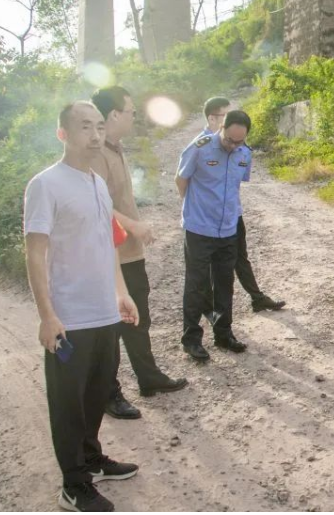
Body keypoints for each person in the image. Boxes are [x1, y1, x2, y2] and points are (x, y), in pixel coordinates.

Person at [24, 101, 140, 511]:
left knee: (95, 394)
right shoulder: (46, 185)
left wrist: (120, 292)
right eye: (84, 127)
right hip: (69, 316)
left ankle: (91, 459)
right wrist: (47, 315)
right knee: (68, 404)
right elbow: (35, 252)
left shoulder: (97, 184)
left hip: (104, 311)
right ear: (63, 134)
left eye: (99, 127)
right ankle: (73, 484)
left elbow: (107, 244)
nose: (95, 135)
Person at [90, 86, 187, 420]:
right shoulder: (97, 154)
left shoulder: (116, 148)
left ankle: (148, 377)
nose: (134, 116)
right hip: (109, 257)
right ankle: (109, 394)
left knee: (138, 317)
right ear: (114, 114)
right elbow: (96, 204)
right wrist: (133, 224)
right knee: (111, 326)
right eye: (130, 110)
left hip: (129, 253)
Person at [175, 110, 253, 360]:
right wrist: (192, 208)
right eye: (229, 140)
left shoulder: (245, 153)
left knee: (224, 284)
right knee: (196, 284)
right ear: (221, 128)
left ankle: (223, 334)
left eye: (238, 141)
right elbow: (181, 179)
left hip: (228, 229)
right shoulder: (200, 148)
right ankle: (191, 339)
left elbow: (237, 185)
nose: (232, 146)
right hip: (199, 228)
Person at [199, 96, 285, 314]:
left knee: (240, 256)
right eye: (225, 116)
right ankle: (211, 311)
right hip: (208, 218)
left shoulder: (240, 149)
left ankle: (256, 298)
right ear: (212, 118)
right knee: (212, 266)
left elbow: (238, 181)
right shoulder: (200, 147)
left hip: (232, 213)